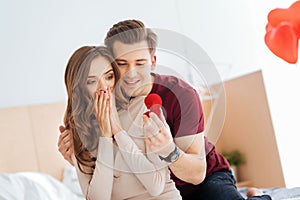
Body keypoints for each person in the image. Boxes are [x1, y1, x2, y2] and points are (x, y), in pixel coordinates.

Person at [58, 20, 271, 200]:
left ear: (153, 62)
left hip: (203, 180)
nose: (131, 74)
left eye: (140, 63)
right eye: (122, 64)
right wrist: (79, 156)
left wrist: (169, 150)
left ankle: (257, 196)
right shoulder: (108, 101)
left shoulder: (181, 95)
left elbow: (197, 173)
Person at [61, 45, 182, 200]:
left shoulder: (143, 107)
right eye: (91, 81)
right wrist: (105, 136)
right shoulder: (80, 131)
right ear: (80, 88)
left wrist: (117, 131)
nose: (103, 88)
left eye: (109, 77)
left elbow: (156, 185)